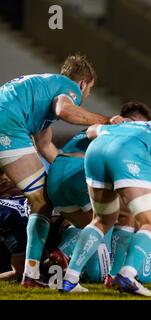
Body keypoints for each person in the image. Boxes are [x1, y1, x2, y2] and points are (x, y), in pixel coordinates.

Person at [0, 53, 115, 287]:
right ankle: (31, 275)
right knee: (41, 201)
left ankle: (29, 273)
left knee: (39, 197)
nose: (87, 94)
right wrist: (106, 121)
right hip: (7, 124)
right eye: (89, 89)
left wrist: (68, 172)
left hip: (7, 119)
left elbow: (45, 147)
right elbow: (66, 111)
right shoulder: (68, 87)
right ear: (83, 84)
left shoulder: (41, 95)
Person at [61, 106, 151, 296]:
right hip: (128, 155)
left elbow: (92, 130)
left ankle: (70, 279)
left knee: (103, 220)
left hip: (95, 151)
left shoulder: (134, 125)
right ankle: (127, 275)